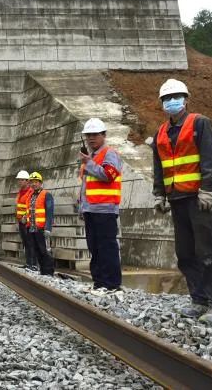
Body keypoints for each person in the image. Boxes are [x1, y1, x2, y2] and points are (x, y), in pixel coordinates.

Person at [151, 79, 212, 324]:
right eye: (167, 98)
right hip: (177, 199)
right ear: (162, 103)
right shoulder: (161, 133)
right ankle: (199, 299)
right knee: (185, 253)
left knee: (208, 252)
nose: (172, 101)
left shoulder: (200, 123)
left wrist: (208, 189)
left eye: (176, 97)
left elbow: (211, 158)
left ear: (186, 99)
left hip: (199, 198)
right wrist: (159, 194)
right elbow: (159, 167)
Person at [78, 118, 123, 293]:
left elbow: (108, 175)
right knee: (94, 247)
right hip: (91, 209)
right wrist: (82, 207)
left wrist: (88, 163)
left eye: (95, 135)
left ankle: (111, 284)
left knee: (106, 247)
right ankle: (99, 283)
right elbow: (86, 186)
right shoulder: (93, 157)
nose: (91, 138)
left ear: (103, 135)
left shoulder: (109, 154)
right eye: (88, 135)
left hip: (105, 209)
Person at [25, 172, 54, 276]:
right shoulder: (31, 196)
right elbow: (30, 210)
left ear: (40, 183)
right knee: (37, 250)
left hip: (42, 229)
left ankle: (49, 272)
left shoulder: (46, 195)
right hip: (32, 228)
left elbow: (50, 213)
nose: (34, 184)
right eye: (32, 182)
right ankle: (43, 271)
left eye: (36, 182)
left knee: (44, 250)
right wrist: (25, 218)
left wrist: (48, 228)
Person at [14, 170, 37, 269]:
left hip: (28, 222)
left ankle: (34, 264)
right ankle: (28, 263)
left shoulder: (30, 192)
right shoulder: (20, 192)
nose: (19, 182)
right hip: (21, 221)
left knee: (30, 242)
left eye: (21, 180)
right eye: (18, 180)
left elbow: (31, 206)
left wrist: (25, 217)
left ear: (27, 181)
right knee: (25, 242)